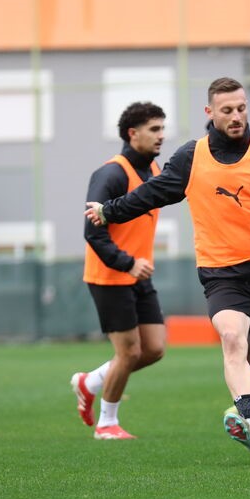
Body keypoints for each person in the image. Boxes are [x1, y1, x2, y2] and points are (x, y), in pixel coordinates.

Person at [85, 77, 250, 457]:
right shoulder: (191, 156)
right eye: (227, 110)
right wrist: (109, 211)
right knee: (232, 339)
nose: (236, 116)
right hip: (221, 272)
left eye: (241, 108)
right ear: (210, 112)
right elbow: (152, 193)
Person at [72, 102, 168, 440]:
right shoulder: (111, 174)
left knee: (154, 349)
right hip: (111, 276)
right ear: (132, 133)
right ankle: (106, 424)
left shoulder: (154, 169)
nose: (161, 135)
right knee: (128, 353)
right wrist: (128, 262)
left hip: (138, 275)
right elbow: (93, 233)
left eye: (162, 128)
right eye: (154, 129)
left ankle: (90, 382)